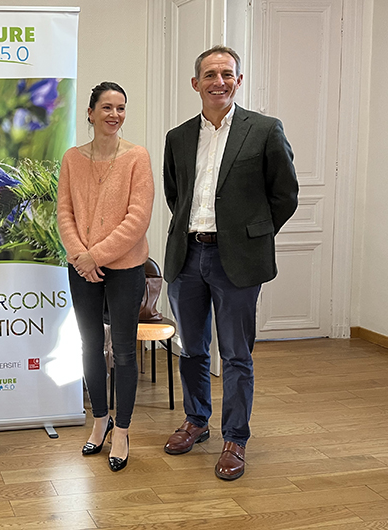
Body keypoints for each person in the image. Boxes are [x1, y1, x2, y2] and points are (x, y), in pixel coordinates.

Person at [162, 45, 299, 480]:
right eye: (210, 74)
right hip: (188, 255)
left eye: (227, 74)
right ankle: (196, 421)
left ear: (238, 81)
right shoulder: (178, 137)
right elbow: (175, 195)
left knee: (237, 354)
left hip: (235, 259)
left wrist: (249, 236)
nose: (218, 81)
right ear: (195, 83)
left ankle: (235, 438)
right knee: (193, 348)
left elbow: (285, 195)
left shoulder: (264, 130)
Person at [57, 82, 155, 472]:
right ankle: (100, 420)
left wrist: (94, 255)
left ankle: (123, 431)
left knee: (125, 351)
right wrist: (80, 257)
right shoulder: (72, 158)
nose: (114, 115)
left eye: (121, 108)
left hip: (125, 268)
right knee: (89, 346)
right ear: (90, 113)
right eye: (107, 107)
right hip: (81, 267)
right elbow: (64, 212)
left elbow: (138, 218)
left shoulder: (137, 157)